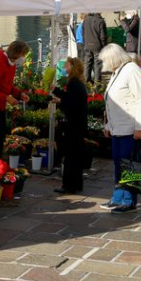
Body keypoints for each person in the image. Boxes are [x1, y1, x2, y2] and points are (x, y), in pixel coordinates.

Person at [98, 44, 141, 214]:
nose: (104, 64)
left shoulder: (131, 71)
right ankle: (118, 196)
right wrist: (108, 125)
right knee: (119, 163)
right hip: (119, 128)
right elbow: (113, 103)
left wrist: (140, 127)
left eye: (105, 60)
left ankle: (129, 201)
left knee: (129, 164)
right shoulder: (119, 71)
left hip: (129, 128)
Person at [51, 57, 87, 194]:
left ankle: (68, 185)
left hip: (74, 125)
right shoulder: (78, 83)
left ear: (72, 67)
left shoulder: (74, 83)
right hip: (79, 124)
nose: (65, 67)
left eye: (67, 65)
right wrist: (58, 93)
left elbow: (71, 103)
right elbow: (71, 98)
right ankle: (76, 184)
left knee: (70, 155)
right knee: (75, 156)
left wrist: (60, 100)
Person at [82, 12, 107, 83]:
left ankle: (86, 82)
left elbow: (83, 34)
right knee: (98, 65)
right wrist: (104, 47)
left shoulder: (85, 20)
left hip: (87, 45)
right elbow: (103, 37)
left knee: (87, 64)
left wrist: (85, 43)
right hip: (97, 46)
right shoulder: (100, 21)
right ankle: (97, 84)